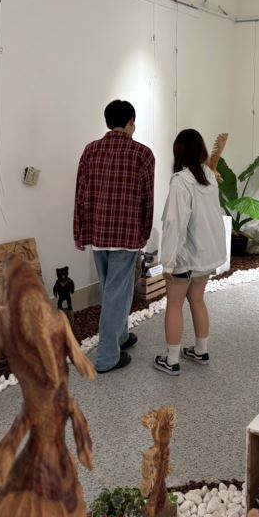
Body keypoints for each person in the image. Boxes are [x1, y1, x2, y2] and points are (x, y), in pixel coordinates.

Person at [74, 100, 154, 372]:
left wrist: (80, 231)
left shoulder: (91, 150)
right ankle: (108, 357)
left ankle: (120, 336)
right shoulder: (142, 153)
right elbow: (147, 198)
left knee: (112, 288)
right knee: (117, 292)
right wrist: (144, 232)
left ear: (108, 122)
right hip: (126, 234)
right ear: (131, 121)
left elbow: (81, 194)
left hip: (98, 232)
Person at [154, 129, 227, 376]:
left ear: (179, 152)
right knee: (197, 300)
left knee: (174, 304)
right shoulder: (209, 177)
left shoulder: (180, 181)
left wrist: (167, 263)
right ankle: (201, 351)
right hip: (205, 255)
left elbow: (174, 224)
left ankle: (172, 360)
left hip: (185, 256)